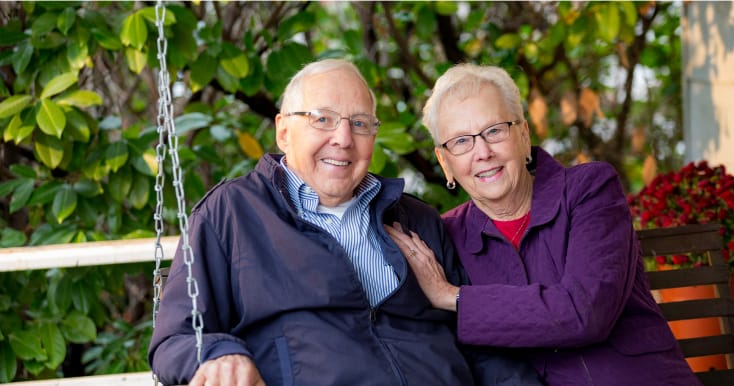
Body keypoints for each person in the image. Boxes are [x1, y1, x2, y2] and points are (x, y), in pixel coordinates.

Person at [148, 59, 537, 386]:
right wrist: (219, 355)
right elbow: (175, 340)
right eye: (323, 119)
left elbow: (481, 346)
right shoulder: (231, 214)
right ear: (284, 131)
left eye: (361, 124)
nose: (343, 138)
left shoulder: (415, 218)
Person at [385, 63, 700, 386]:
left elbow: (586, 312)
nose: (482, 152)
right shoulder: (448, 236)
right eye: (461, 141)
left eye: (494, 130)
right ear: (444, 162)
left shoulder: (590, 190)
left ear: (523, 135)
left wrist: (454, 297)